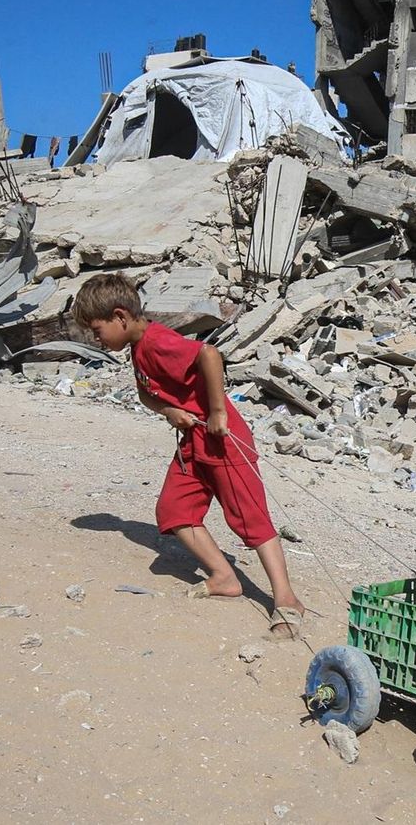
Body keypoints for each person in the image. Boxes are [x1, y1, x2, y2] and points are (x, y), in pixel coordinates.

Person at [72, 273, 305, 639]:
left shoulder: (158, 341)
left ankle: (287, 599)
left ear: (120, 316)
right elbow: (146, 393)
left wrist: (217, 411)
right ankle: (225, 578)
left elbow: (209, 355)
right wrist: (168, 411)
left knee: (251, 520)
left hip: (222, 440)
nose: (96, 340)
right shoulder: (137, 349)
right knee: (174, 510)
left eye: (97, 331)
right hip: (192, 445)